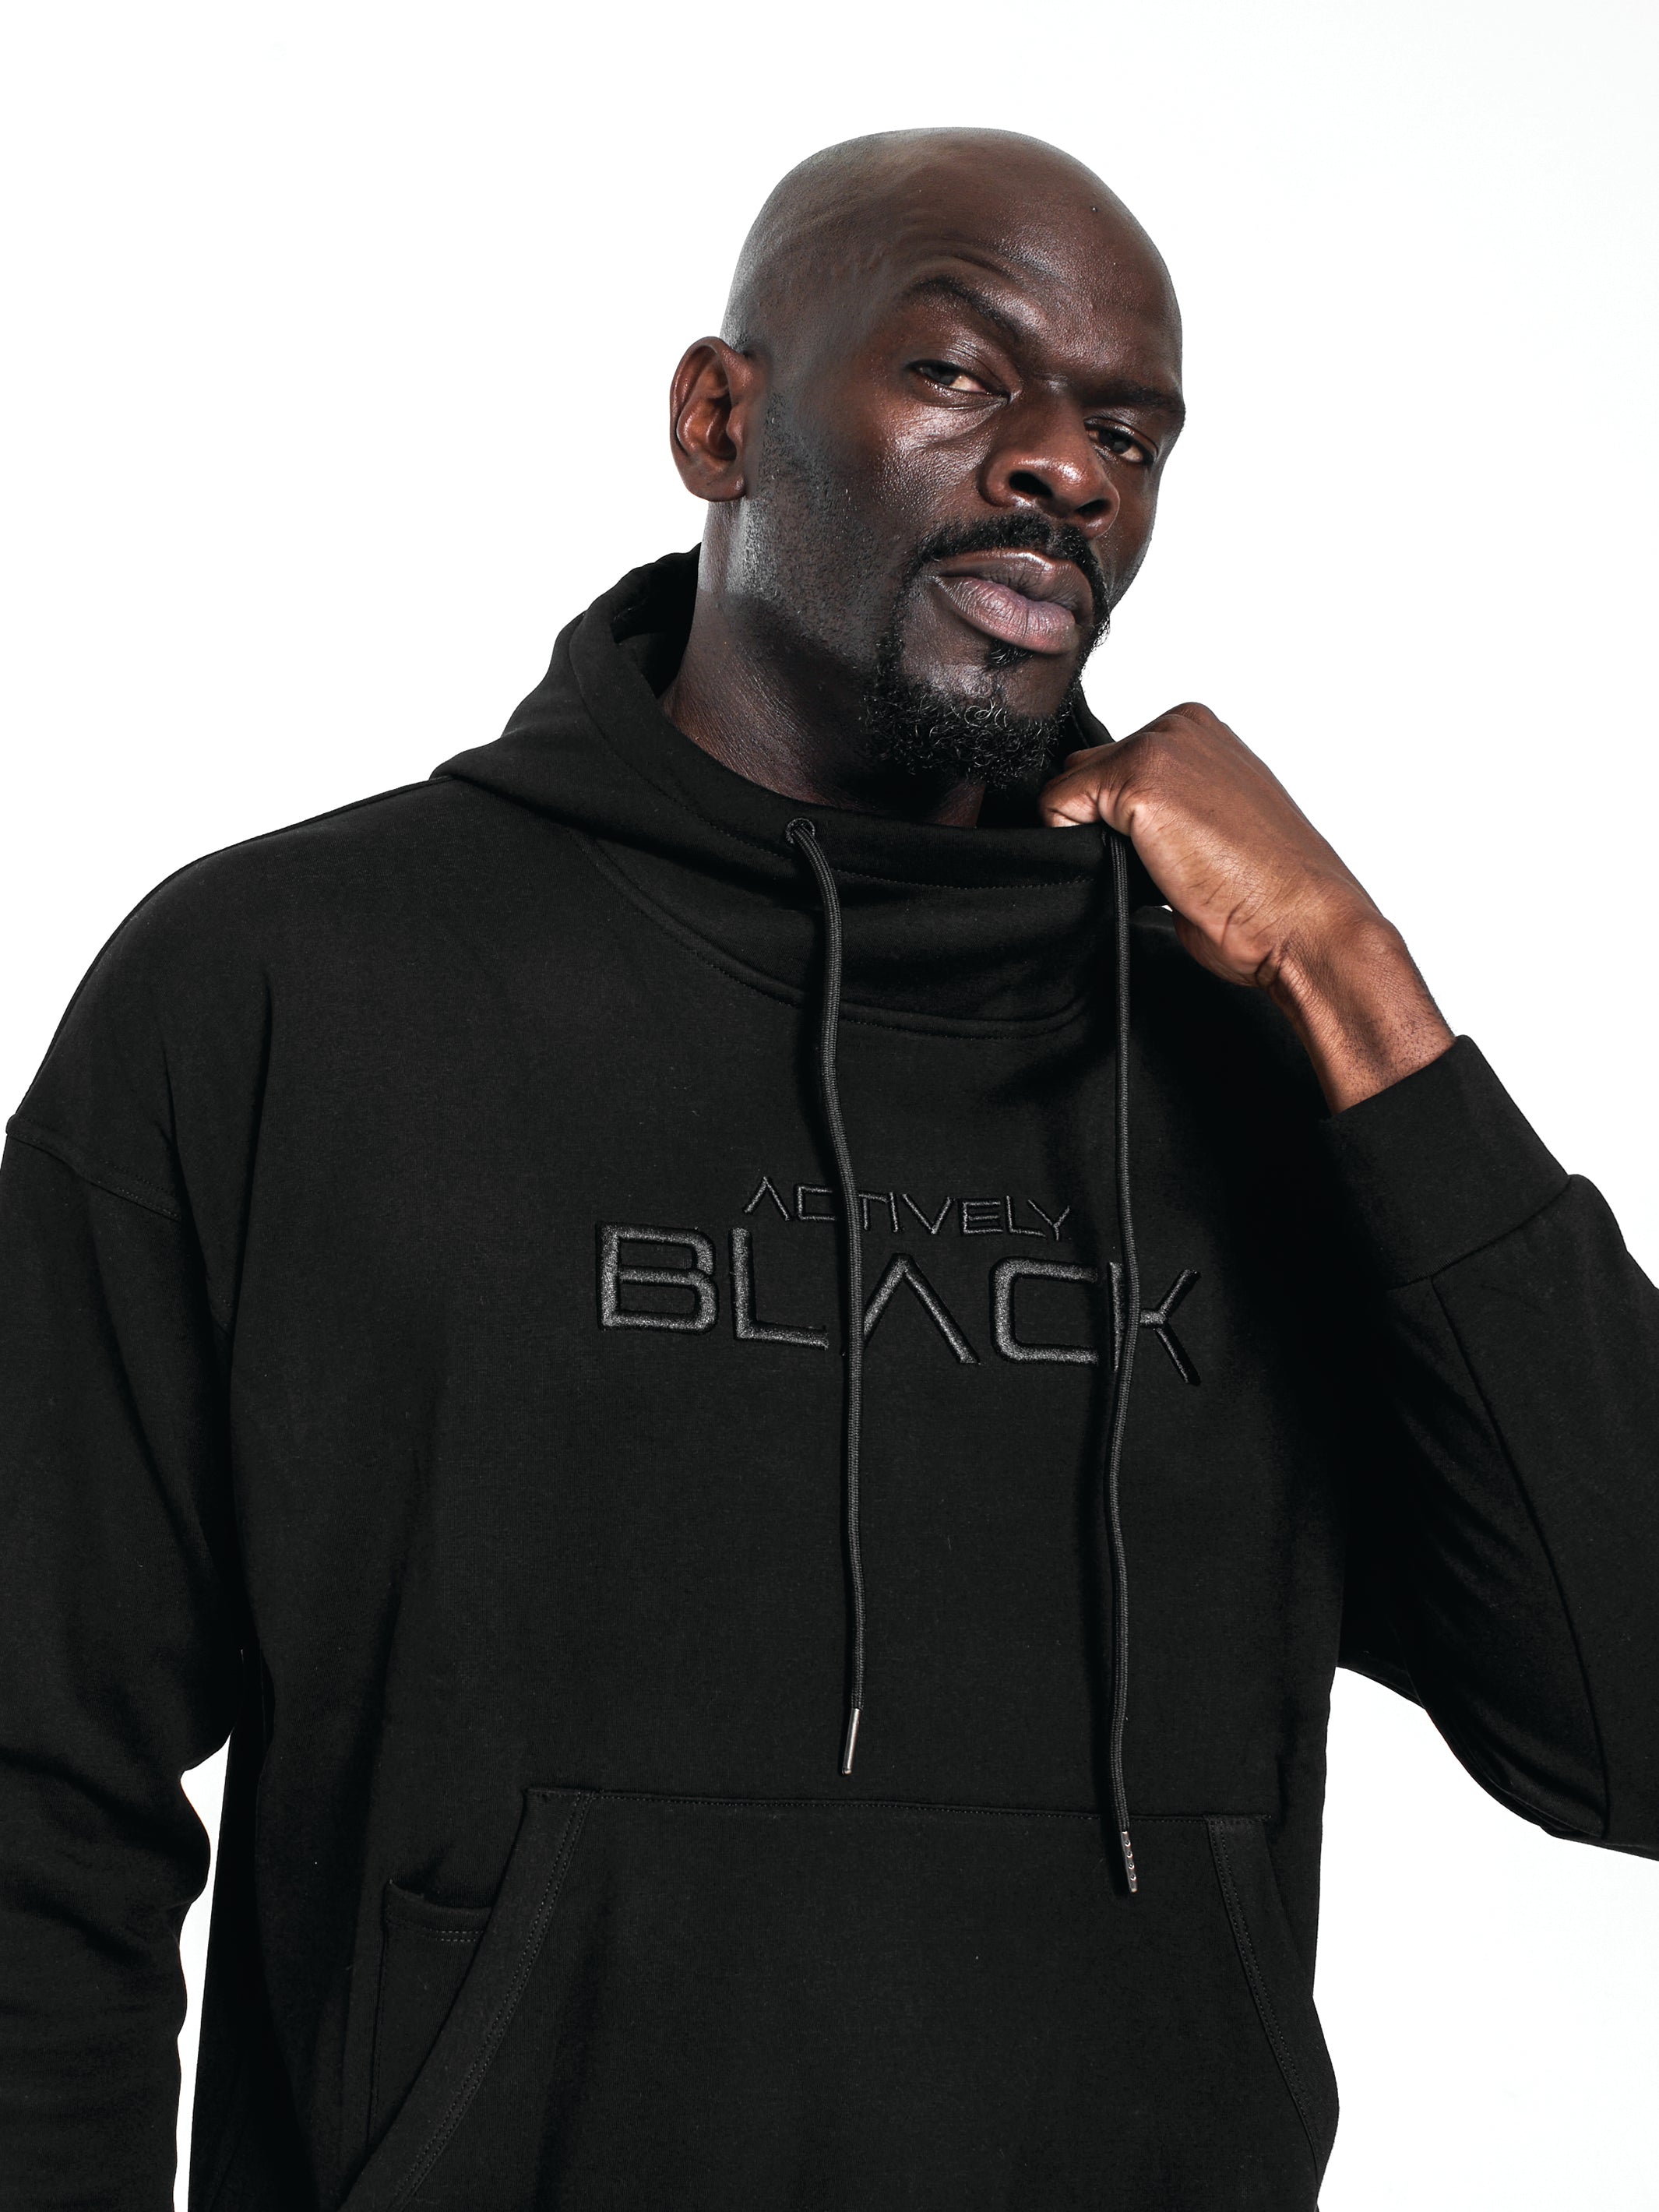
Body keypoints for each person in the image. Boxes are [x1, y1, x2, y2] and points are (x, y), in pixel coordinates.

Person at [1, 125, 1654, 2212]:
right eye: (961, 374)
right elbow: (36, 1782)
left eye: (1129, 432)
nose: (1066, 470)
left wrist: (1353, 978)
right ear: (719, 419)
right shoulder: (289, 986)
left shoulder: (1263, 1064)